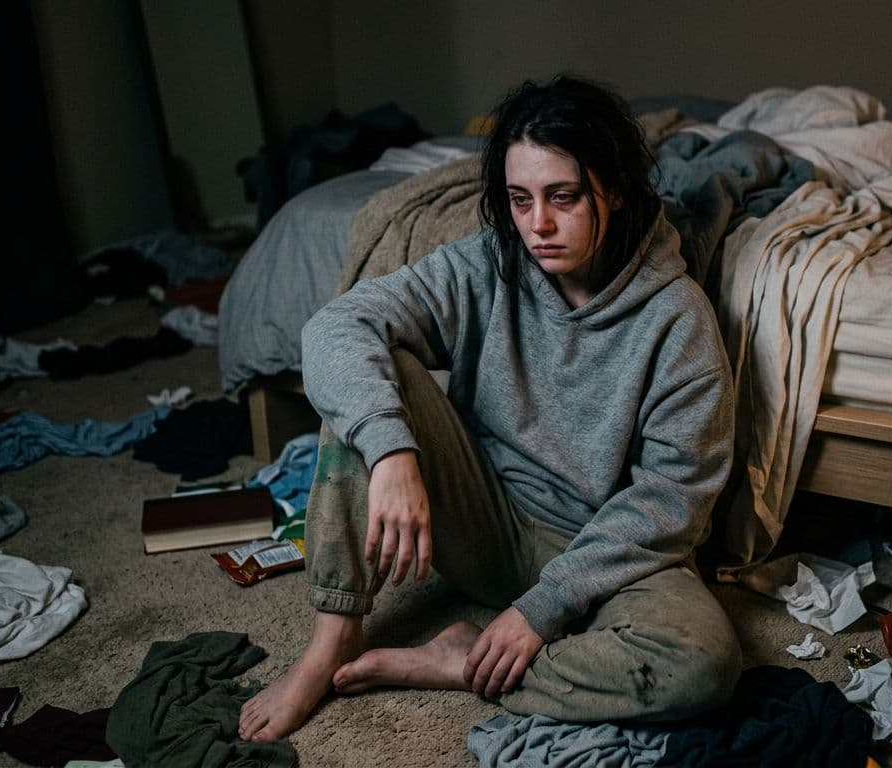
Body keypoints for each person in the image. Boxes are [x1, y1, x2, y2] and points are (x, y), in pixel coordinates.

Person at [238, 75, 742, 743]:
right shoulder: (485, 263)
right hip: (481, 518)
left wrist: (543, 608)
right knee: (365, 375)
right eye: (520, 199)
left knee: (704, 666)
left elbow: (672, 502)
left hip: (602, 550)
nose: (538, 224)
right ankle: (333, 636)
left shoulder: (678, 320)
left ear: (615, 191)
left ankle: (458, 664)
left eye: (564, 198)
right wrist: (391, 451)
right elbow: (337, 326)